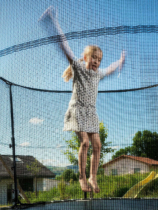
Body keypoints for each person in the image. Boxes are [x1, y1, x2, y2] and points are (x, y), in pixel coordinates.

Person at [40, 6, 126, 193]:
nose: (96, 62)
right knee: (85, 143)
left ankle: (93, 177)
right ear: (86, 58)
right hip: (77, 109)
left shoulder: (98, 74)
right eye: (94, 58)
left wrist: (119, 62)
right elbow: (64, 45)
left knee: (97, 145)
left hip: (91, 112)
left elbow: (110, 69)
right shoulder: (78, 68)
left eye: (99, 60)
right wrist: (53, 22)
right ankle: (81, 177)